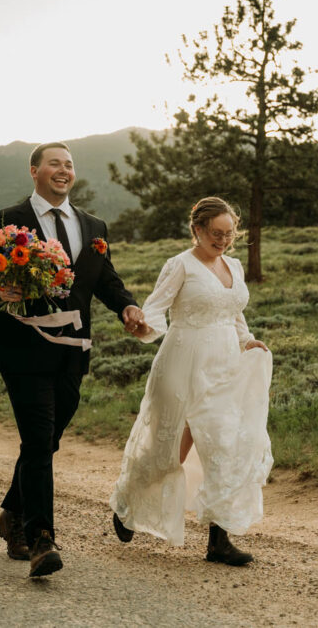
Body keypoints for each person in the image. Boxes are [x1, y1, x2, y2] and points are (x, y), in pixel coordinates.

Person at [0, 142, 146, 577]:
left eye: (69, 164)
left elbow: (106, 281)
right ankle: (40, 538)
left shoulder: (94, 225)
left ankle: (11, 513)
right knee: (39, 438)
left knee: (46, 441)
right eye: (54, 164)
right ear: (35, 171)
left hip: (73, 352)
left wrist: (127, 307)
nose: (63, 171)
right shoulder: (5, 222)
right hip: (22, 349)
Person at [109, 196, 273, 566]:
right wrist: (141, 324)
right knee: (168, 450)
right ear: (197, 229)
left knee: (224, 446)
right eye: (216, 233)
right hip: (183, 362)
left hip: (225, 366)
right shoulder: (180, 265)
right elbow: (155, 308)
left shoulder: (233, 265)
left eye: (230, 233)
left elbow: (233, 313)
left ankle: (219, 540)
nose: (224, 240)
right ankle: (127, 502)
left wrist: (248, 341)